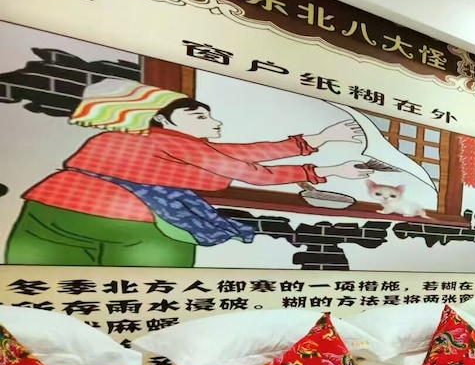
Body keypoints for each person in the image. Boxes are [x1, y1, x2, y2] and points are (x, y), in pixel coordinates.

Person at [5, 81, 374, 268]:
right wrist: (325, 169)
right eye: (199, 116)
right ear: (163, 119)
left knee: (43, 302)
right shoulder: (175, 142)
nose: (214, 122)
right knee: (150, 298)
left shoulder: (122, 138)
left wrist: (317, 142)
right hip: (131, 222)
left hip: (46, 210)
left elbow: (238, 153)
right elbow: (253, 173)